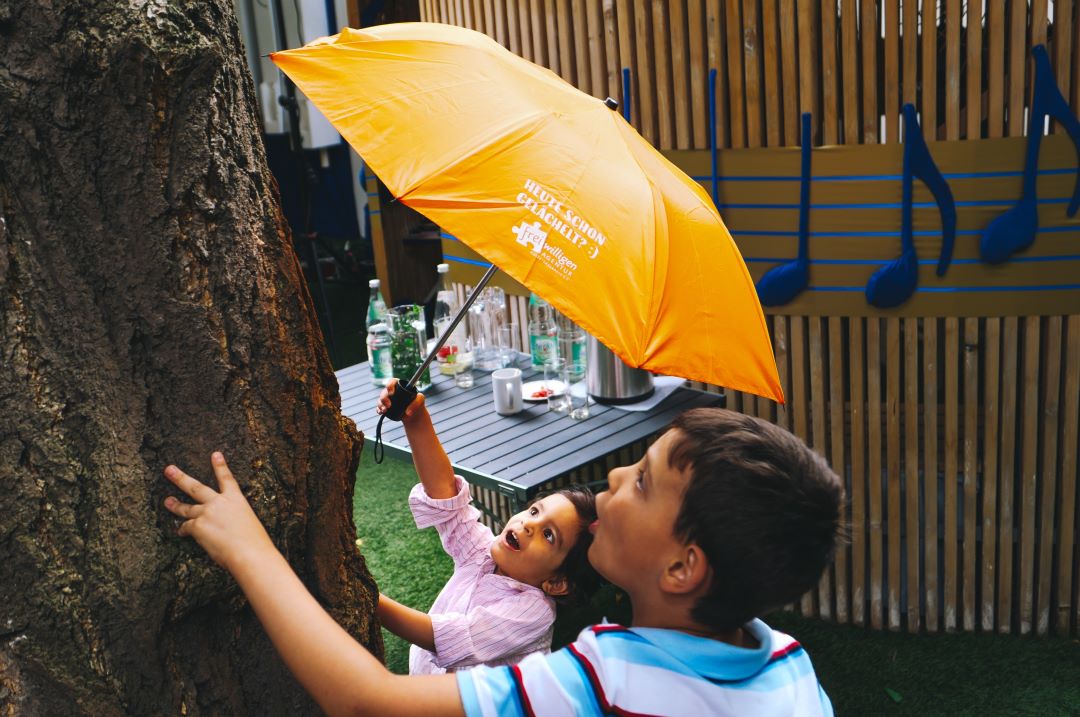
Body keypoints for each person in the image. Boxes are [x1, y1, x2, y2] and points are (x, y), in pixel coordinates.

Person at [162, 407, 843, 716]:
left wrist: (250, 551)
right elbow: (455, 513)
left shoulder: (605, 681)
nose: (611, 479)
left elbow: (367, 702)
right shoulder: (788, 666)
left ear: (681, 568)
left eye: (641, 479)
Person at [373, 379, 600, 674]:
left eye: (548, 534)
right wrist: (416, 418)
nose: (528, 524)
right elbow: (447, 500)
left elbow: (447, 636)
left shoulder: (533, 611)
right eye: (534, 511)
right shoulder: (483, 553)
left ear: (556, 583)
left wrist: (371, 600)